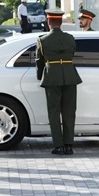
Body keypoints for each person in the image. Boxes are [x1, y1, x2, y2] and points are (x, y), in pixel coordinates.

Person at [35, 10, 82, 155]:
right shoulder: (70, 38)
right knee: (69, 112)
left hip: (52, 77)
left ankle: (58, 145)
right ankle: (69, 145)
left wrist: (40, 76)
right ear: (60, 22)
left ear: (49, 22)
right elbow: (72, 55)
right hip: (69, 75)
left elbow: (39, 61)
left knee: (54, 112)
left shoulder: (42, 40)